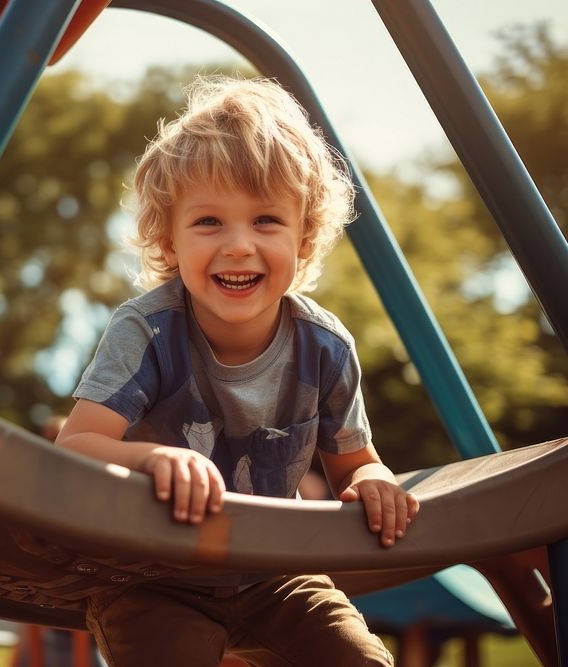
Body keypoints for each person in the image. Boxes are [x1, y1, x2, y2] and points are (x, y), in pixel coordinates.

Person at [56, 75, 419, 666]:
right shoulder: (147, 331)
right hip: (151, 572)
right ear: (168, 242)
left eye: (266, 221)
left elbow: (356, 463)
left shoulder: (324, 347)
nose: (239, 245)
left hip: (275, 573)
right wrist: (151, 458)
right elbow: (77, 446)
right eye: (208, 223)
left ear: (304, 239)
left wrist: (375, 481)